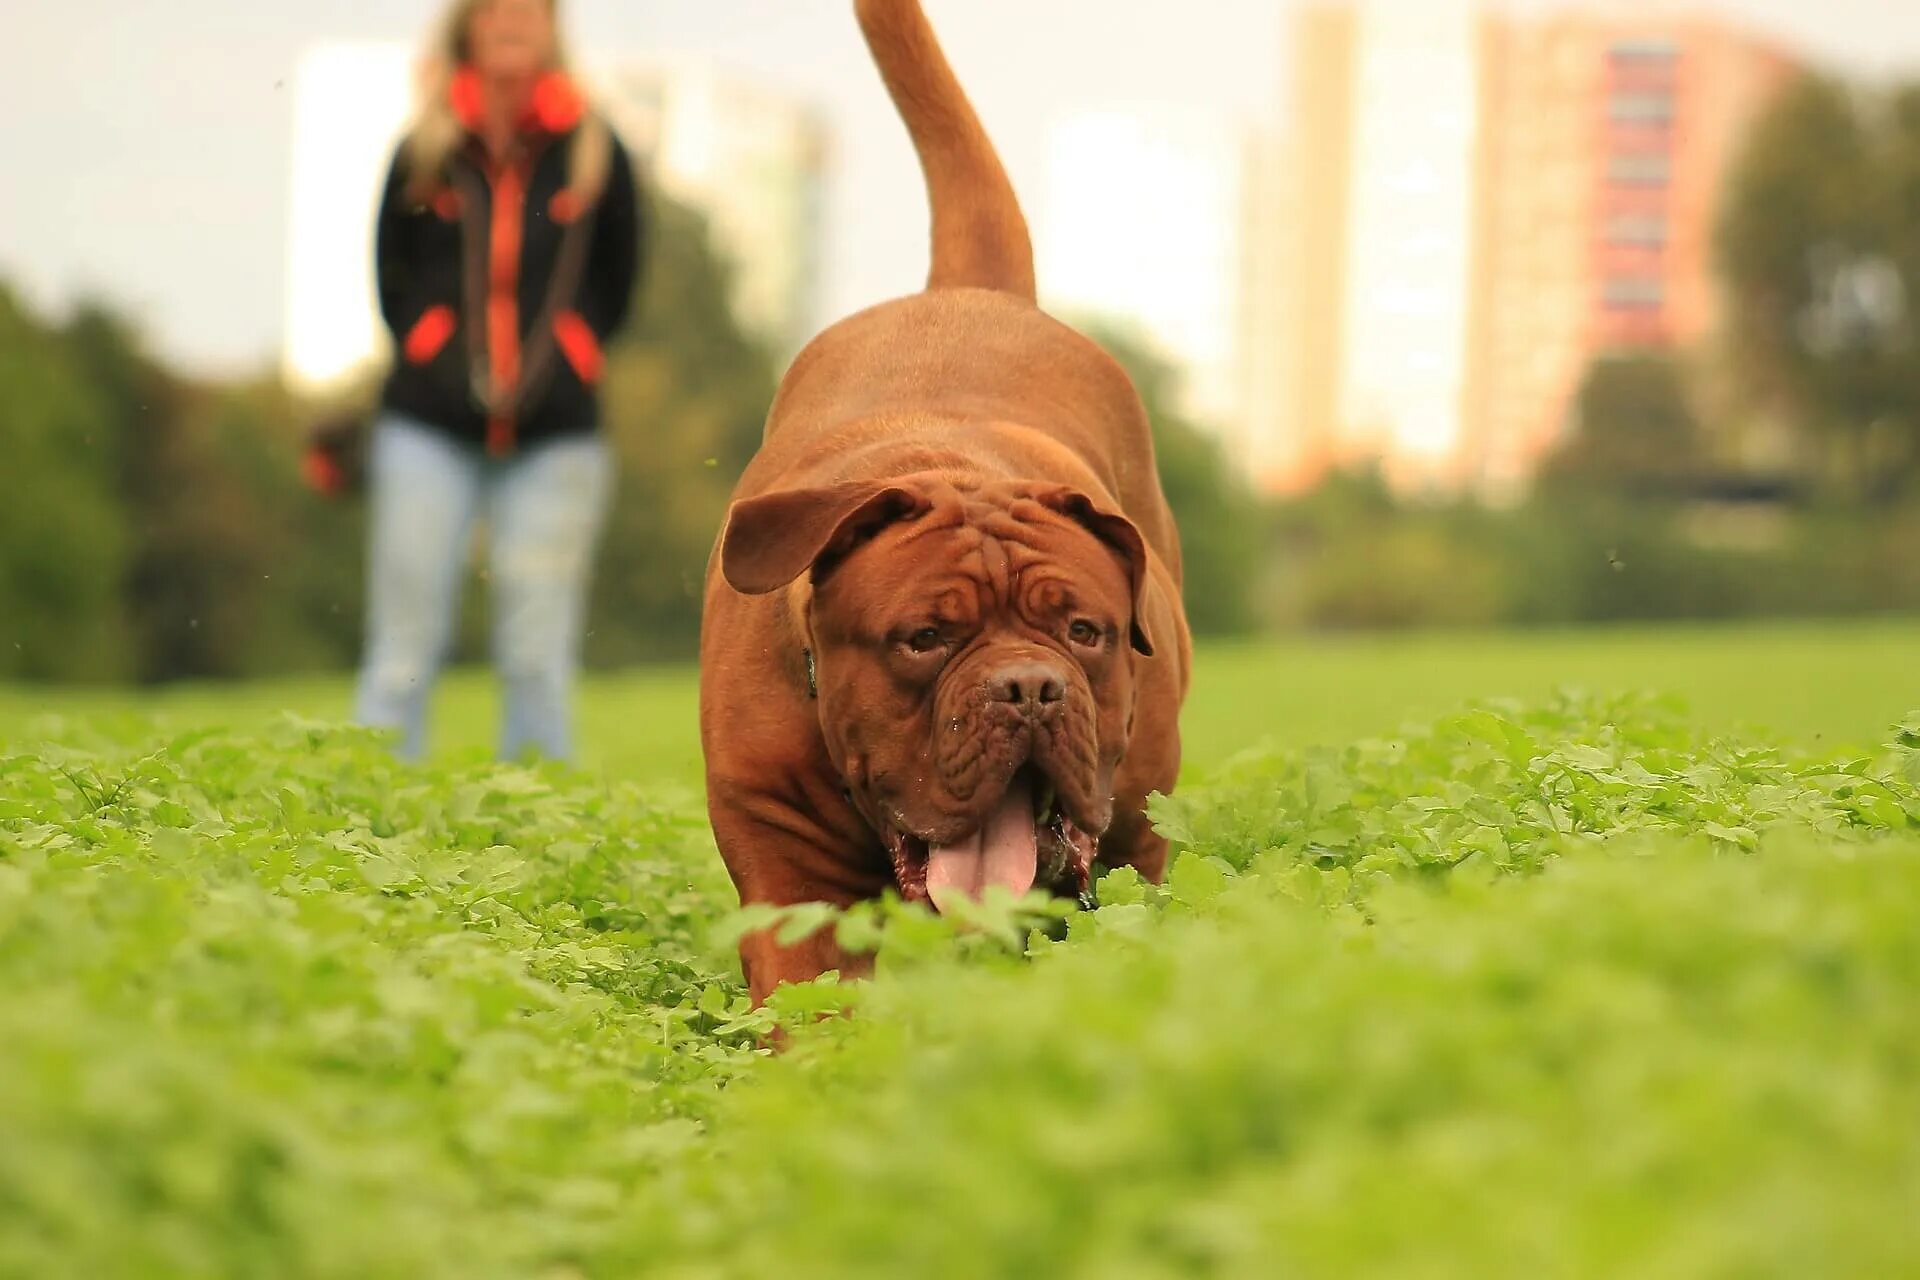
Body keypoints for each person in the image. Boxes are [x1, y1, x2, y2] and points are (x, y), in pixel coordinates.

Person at [356, 0, 642, 762]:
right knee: (403, 646)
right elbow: (391, 274)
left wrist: (573, 351)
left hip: (557, 435)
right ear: (467, 28)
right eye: (493, 8)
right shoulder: (425, 148)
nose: (511, 19)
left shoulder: (595, 148)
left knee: (536, 654)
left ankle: (539, 828)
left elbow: (620, 277)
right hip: (426, 426)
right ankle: (359, 813)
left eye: (530, 8)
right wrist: (431, 348)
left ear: (551, 28)